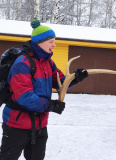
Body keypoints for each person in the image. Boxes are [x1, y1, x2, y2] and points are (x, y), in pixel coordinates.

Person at [0, 19, 88, 160]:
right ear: (39, 42)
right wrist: (51, 105)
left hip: (40, 126)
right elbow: (24, 96)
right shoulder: (22, 64)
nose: (54, 45)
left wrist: (76, 78)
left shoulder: (48, 62)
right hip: (16, 126)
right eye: (51, 41)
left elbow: (60, 82)